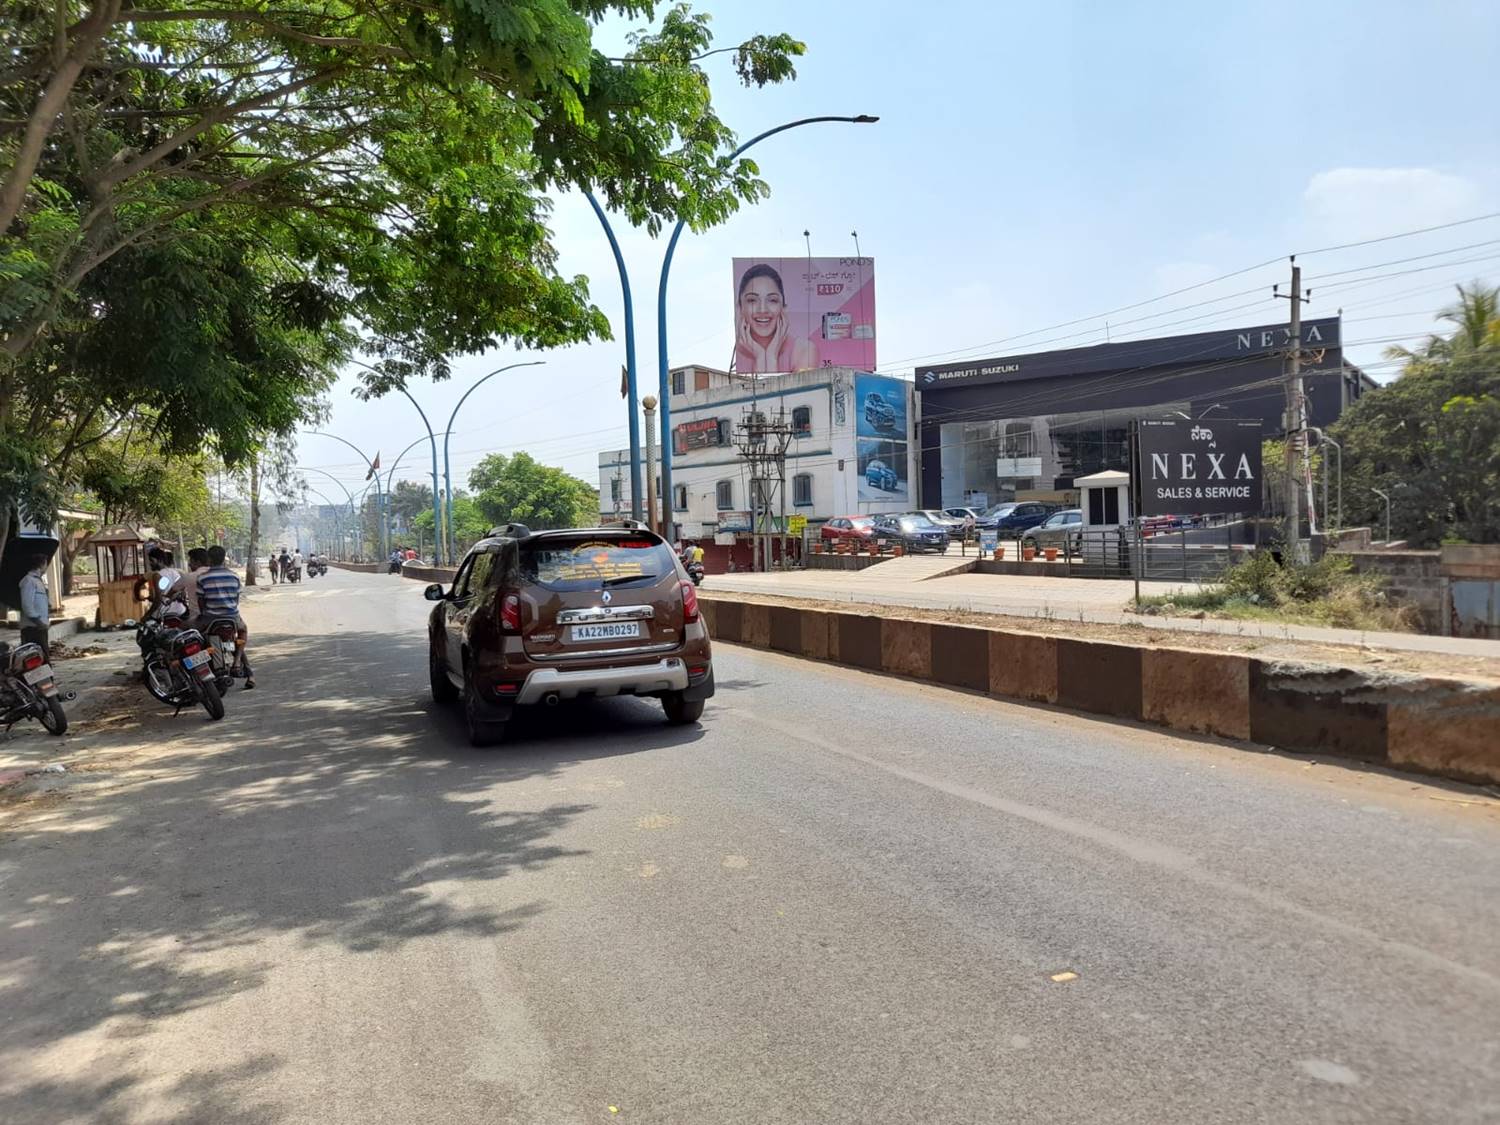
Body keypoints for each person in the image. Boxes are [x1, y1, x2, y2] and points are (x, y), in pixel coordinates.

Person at [734, 263, 819, 375]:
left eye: (772, 300)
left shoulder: (804, 350)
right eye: (752, 300)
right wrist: (760, 356)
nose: (763, 309)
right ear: (740, 308)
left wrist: (770, 356)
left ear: (783, 308)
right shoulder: (736, 356)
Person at [197, 546, 254, 689]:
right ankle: (238, 660)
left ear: (209, 559)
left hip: (210, 619)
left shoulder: (202, 578)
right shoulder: (234, 576)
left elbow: (201, 602)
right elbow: (236, 599)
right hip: (232, 617)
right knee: (242, 632)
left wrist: (205, 614)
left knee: (192, 634)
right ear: (224, 559)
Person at [18, 553, 52, 662]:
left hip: (40, 627)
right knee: (35, 659)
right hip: (32, 628)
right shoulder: (29, 581)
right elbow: (27, 605)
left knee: (43, 658)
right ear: (42, 564)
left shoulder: (38, 581)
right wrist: (38, 622)